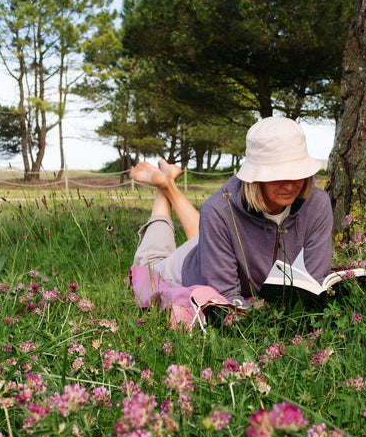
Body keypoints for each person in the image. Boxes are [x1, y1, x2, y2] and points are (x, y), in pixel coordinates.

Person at [130, 116, 333, 305]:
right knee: (150, 260)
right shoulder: (218, 210)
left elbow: (315, 283)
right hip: (185, 268)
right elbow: (226, 298)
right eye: (278, 176)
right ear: (256, 177)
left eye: (297, 173)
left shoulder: (318, 205)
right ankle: (163, 187)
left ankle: (168, 184)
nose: (290, 185)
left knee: (206, 231)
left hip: (213, 249)